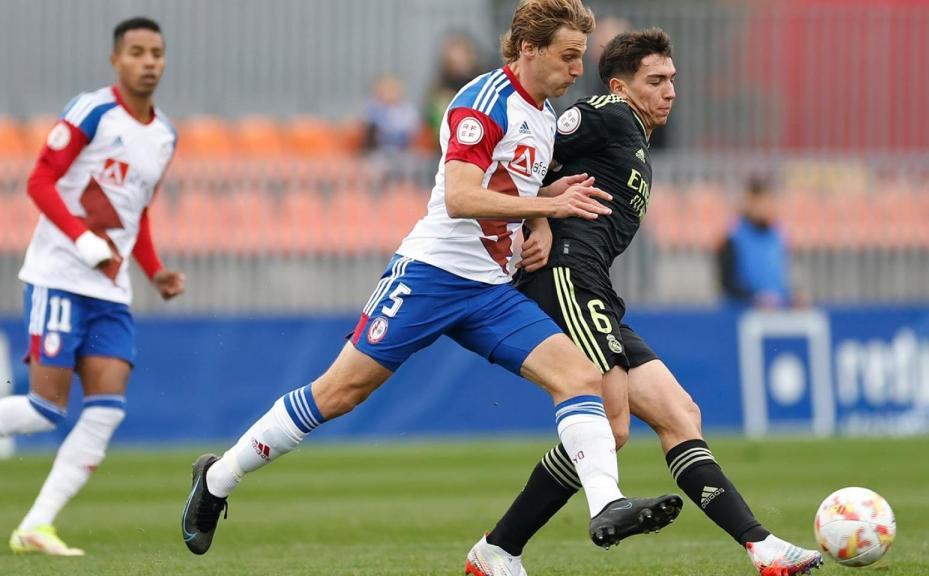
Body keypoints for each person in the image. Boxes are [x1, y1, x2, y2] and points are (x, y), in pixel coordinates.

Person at [181, 0, 682, 558]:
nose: (574, 70)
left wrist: (540, 215)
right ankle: (219, 477)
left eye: (580, 58)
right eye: (567, 57)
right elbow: (462, 196)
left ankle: (605, 503)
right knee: (340, 392)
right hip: (432, 275)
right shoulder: (484, 101)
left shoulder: (542, 115)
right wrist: (551, 207)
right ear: (529, 49)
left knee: (581, 379)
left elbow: (518, 182)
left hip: (491, 289)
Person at [465, 29, 823, 576]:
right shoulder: (605, 113)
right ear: (619, 86)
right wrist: (535, 217)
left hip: (596, 288)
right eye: (655, 81)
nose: (669, 91)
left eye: (672, 79)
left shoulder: (633, 136)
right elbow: (522, 154)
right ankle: (506, 547)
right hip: (564, 276)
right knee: (609, 426)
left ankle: (763, 549)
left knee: (681, 414)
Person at [0, 17, 184, 556]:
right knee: (44, 410)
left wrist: (155, 271)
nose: (149, 61)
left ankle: (37, 525)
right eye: (137, 52)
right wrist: (80, 237)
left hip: (110, 290)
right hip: (59, 277)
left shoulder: (165, 135)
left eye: (157, 52)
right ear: (115, 61)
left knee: (106, 409)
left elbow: (137, 214)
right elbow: (38, 179)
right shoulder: (91, 111)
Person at [717, 176, 806, 309]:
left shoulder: (779, 235)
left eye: (768, 201)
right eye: (759, 202)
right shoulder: (733, 236)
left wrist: (792, 297)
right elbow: (727, 284)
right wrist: (754, 299)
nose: (764, 207)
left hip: (775, 311)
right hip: (743, 312)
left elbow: (779, 280)